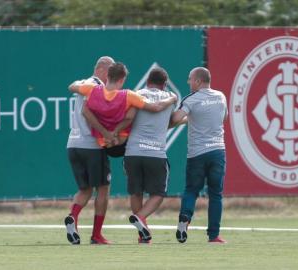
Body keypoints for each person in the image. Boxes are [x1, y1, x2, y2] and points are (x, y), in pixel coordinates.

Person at [68, 62, 177, 157]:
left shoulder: (92, 89)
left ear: (108, 76)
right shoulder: (128, 95)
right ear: (122, 80)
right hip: (122, 143)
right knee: (135, 112)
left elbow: (72, 88)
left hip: (103, 142)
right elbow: (155, 107)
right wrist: (172, 98)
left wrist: (106, 134)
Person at [170, 67, 228, 244]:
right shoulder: (221, 96)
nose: (188, 82)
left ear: (198, 81)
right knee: (216, 194)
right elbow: (223, 118)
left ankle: (185, 218)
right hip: (218, 151)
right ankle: (214, 236)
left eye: (190, 79)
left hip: (197, 154)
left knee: (191, 190)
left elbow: (175, 118)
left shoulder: (191, 99)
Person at [65, 56, 115, 245]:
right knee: (103, 189)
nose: (111, 76)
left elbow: (72, 85)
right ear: (101, 70)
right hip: (92, 145)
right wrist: (106, 133)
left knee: (84, 189)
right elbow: (89, 112)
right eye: (109, 72)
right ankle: (96, 235)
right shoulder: (98, 88)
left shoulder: (83, 83)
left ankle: (73, 217)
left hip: (73, 144)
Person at [123, 67, 176, 244]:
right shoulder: (170, 98)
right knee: (159, 193)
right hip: (156, 153)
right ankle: (140, 217)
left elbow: (128, 118)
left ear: (147, 82)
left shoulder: (136, 94)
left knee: (136, 192)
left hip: (133, 152)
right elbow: (172, 121)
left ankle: (142, 234)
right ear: (165, 84)